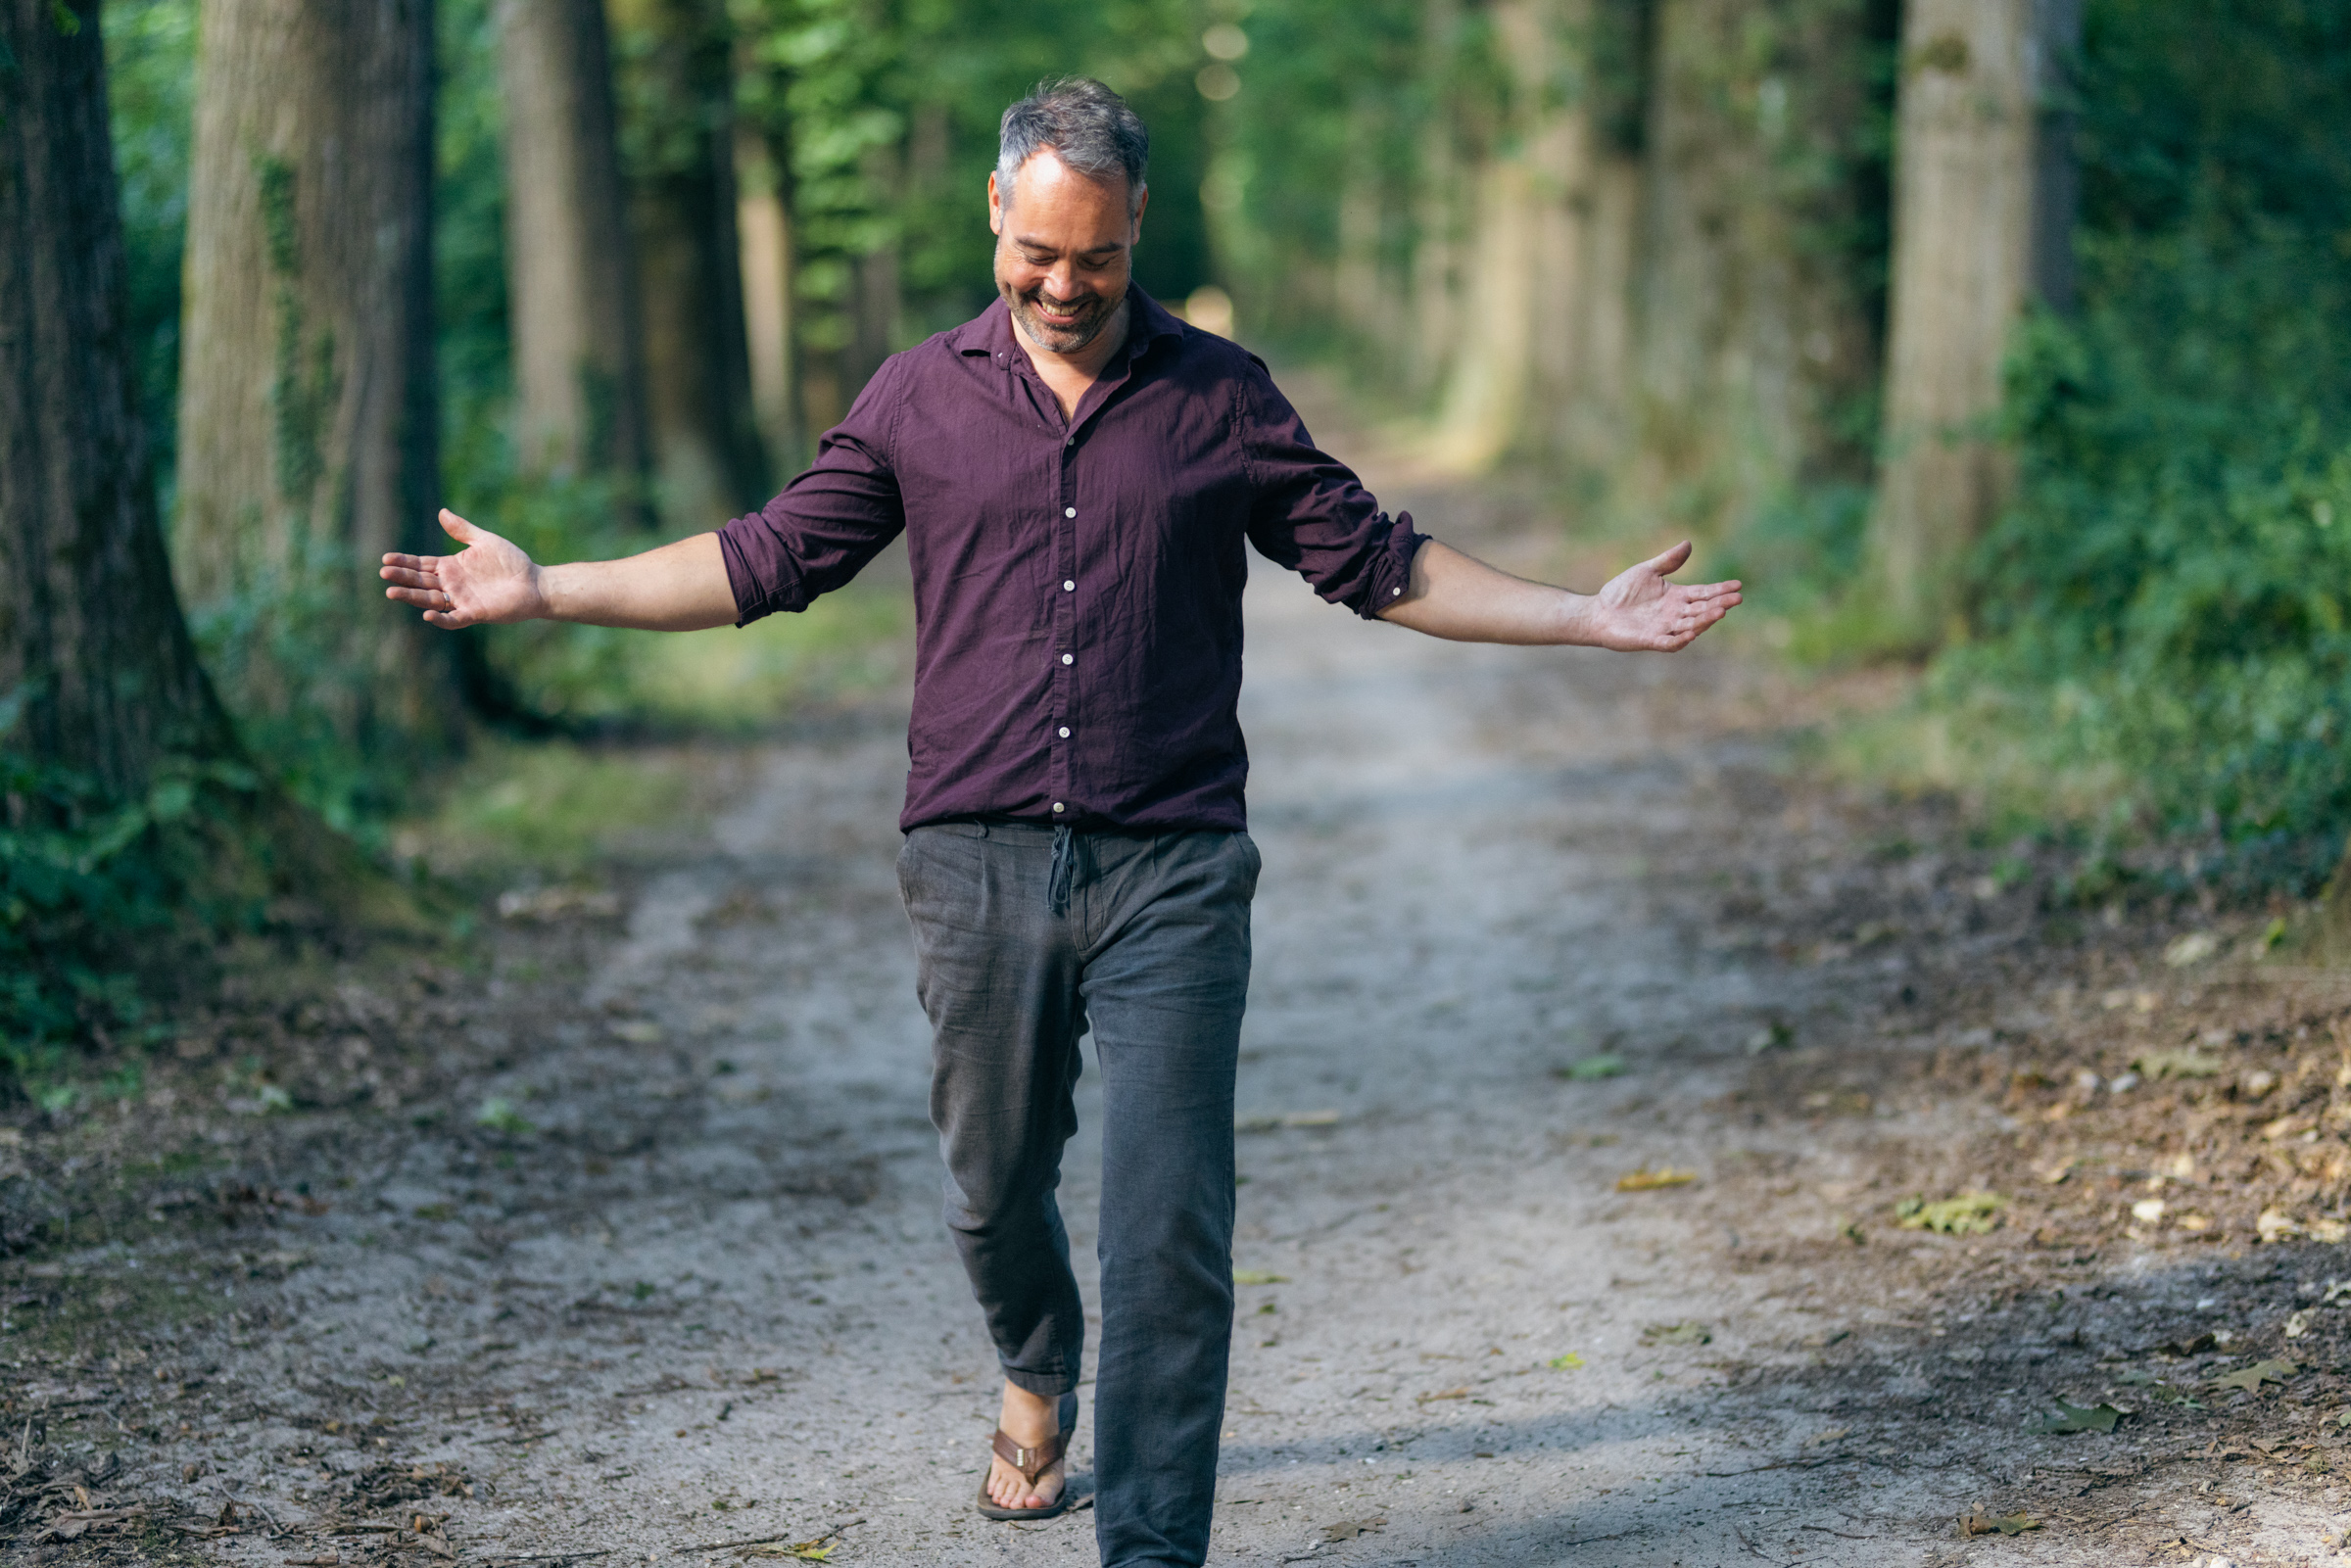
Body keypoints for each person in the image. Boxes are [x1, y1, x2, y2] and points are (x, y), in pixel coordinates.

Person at [382, 75, 1739, 1568]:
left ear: (1138, 221)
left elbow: (1381, 562)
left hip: (1175, 866)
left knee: (1167, 1228)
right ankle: (1036, 1357)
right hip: (974, 860)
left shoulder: (1221, 397)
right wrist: (547, 587)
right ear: (994, 211)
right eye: (1037, 253)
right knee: (993, 1184)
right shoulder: (919, 396)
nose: (1065, 285)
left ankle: (1151, 1545)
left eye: (1097, 255)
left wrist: (1585, 615)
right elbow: (764, 559)